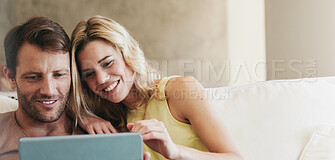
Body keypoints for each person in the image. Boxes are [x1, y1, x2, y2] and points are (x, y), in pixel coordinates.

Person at [70, 15, 243, 160]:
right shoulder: (108, 120)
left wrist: (174, 151)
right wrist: (84, 117)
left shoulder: (180, 90)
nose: (101, 78)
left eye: (108, 63)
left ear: (128, 53)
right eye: (89, 74)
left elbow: (235, 157)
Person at [0, 16, 150, 160]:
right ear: (11, 77)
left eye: (59, 75)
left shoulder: (103, 137)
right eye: (33, 77)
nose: (49, 90)